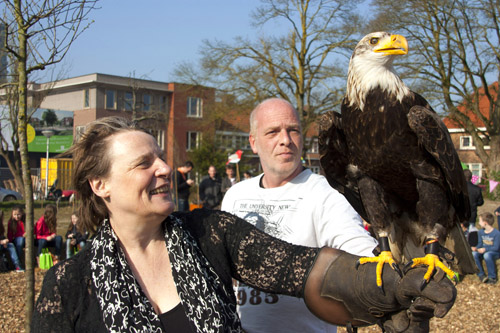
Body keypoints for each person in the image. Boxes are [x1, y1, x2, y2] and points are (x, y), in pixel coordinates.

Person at [32, 117, 456, 332]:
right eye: (144, 163)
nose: (164, 168)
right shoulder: (67, 287)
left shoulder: (210, 233)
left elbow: (306, 268)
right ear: (100, 184)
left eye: (160, 156)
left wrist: (390, 287)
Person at [221, 98, 389, 332]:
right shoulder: (235, 195)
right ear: (253, 142)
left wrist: (389, 277)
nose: (285, 140)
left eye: (293, 131)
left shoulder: (327, 192)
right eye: (272, 132)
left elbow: (356, 246)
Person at [472, 212, 500, 284]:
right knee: (474, 254)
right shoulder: (481, 232)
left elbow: (496, 247)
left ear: (485, 223)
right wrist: (476, 248)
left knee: (487, 255)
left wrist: (485, 249)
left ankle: (492, 277)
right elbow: (480, 244)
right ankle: (481, 275)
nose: (479, 223)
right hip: (483, 251)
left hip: (494, 252)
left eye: (480, 221)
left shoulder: (497, 233)